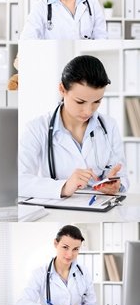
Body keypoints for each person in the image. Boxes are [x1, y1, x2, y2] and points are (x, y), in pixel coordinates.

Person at [19, 55, 129, 200]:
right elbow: (19, 181)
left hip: (100, 206)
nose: (88, 111)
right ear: (62, 89)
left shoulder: (109, 125)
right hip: (58, 210)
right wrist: (64, 187)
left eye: (97, 102)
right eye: (80, 102)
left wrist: (116, 184)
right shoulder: (37, 128)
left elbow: (122, 175)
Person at [16, 224, 97, 305]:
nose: (70, 255)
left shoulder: (84, 272)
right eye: (65, 247)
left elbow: (91, 304)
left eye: (75, 249)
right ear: (55, 243)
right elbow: (21, 304)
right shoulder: (39, 273)